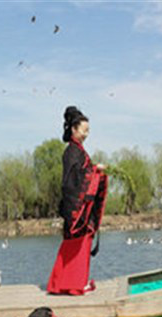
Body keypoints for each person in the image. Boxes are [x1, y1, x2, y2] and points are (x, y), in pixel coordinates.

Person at [46, 106, 108, 295]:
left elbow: (82, 174)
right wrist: (95, 170)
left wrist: (95, 171)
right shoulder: (72, 152)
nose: (87, 134)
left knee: (77, 244)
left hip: (81, 207)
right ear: (74, 129)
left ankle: (62, 283)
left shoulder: (78, 151)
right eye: (84, 130)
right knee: (77, 244)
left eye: (88, 130)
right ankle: (74, 284)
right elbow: (73, 181)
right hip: (77, 208)